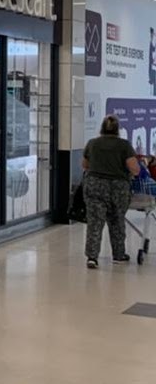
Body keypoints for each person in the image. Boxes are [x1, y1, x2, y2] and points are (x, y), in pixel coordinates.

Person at [81, 114, 140, 269]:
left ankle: (92, 257)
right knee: (117, 220)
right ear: (117, 129)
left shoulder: (92, 143)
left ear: (102, 128)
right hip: (118, 188)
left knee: (95, 222)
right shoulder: (124, 145)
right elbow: (134, 169)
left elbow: (85, 165)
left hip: (94, 185)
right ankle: (119, 255)